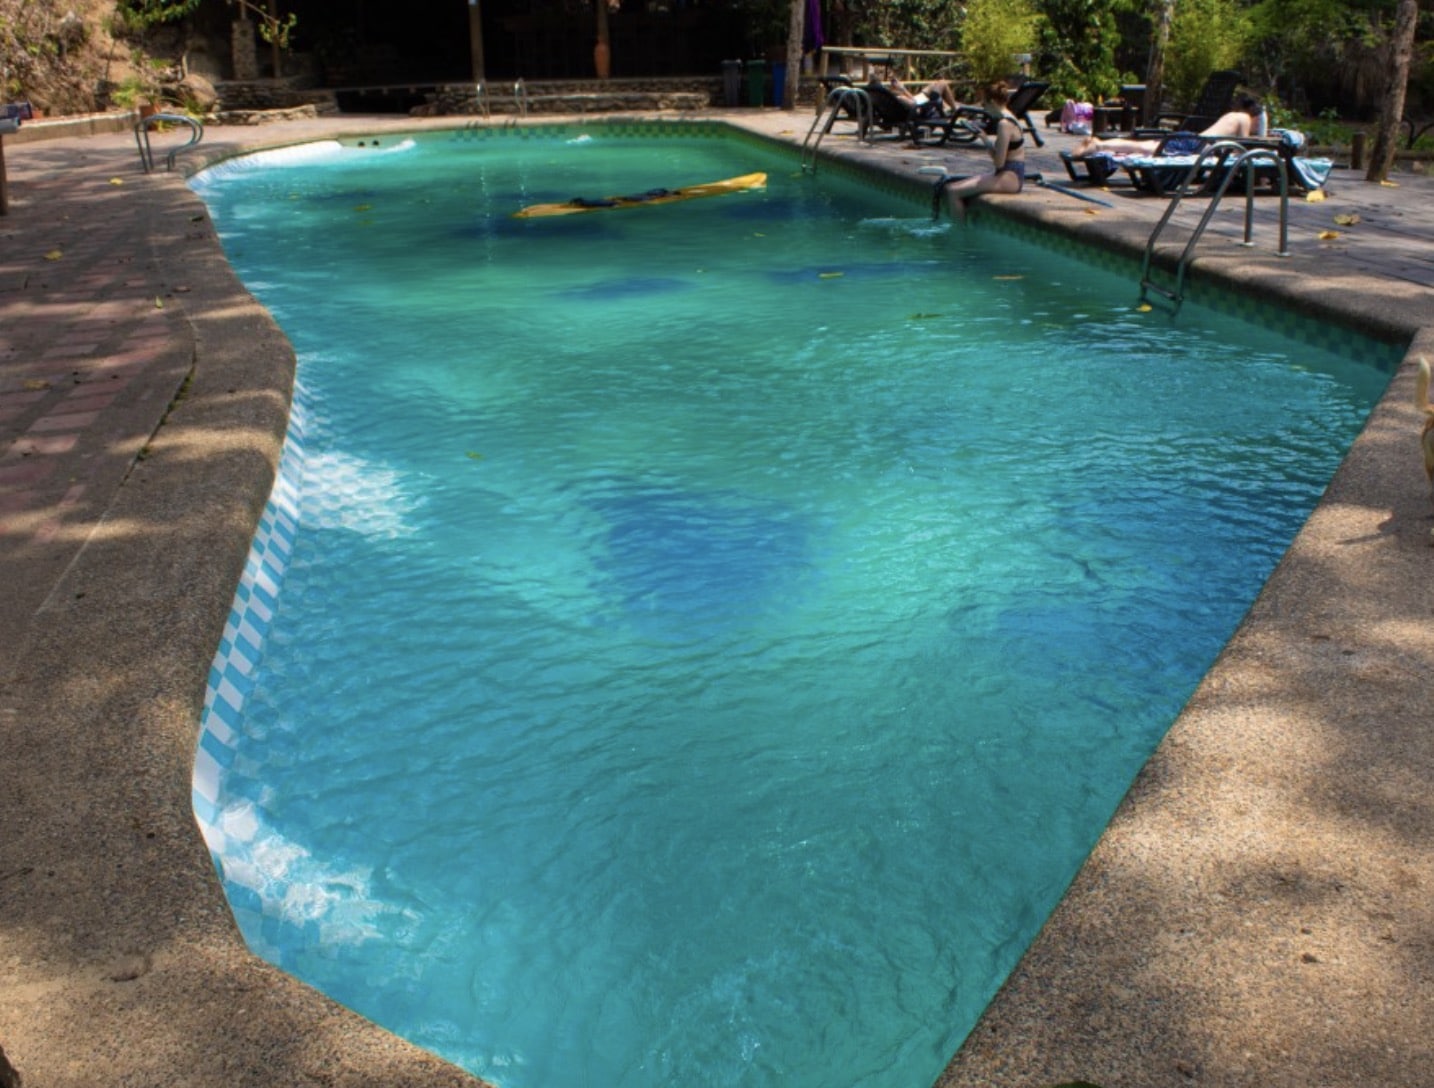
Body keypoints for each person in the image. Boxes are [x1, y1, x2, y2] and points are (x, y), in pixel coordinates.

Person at [938, 82, 1027, 223]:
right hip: (1010, 173)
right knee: (955, 187)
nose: (984, 107)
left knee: (953, 192)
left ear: (992, 102)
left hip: (1010, 176)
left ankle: (959, 236)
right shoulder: (1012, 118)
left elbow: (999, 163)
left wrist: (985, 141)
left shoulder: (1004, 124)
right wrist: (985, 139)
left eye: (984, 104)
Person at [1068, 95, 1264, 158]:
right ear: (1254, 116)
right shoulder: (1245, 119)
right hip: (1196, 144)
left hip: (1193, 138)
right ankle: (1100, 145)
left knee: (1149, 146)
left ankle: (1102, 144)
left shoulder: (1232, 115)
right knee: (1147, 148)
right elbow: (1242, 151)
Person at [879, 75, 959, 116]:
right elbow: (914, 104)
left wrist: (901, 90)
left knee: (935, 83)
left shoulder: (893, 99)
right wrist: (903, 89)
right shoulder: (899, 98)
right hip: (923, 105)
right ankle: (955, 110)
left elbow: (912, 100)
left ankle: (949, 107)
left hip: (919, 99)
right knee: (942, 83)